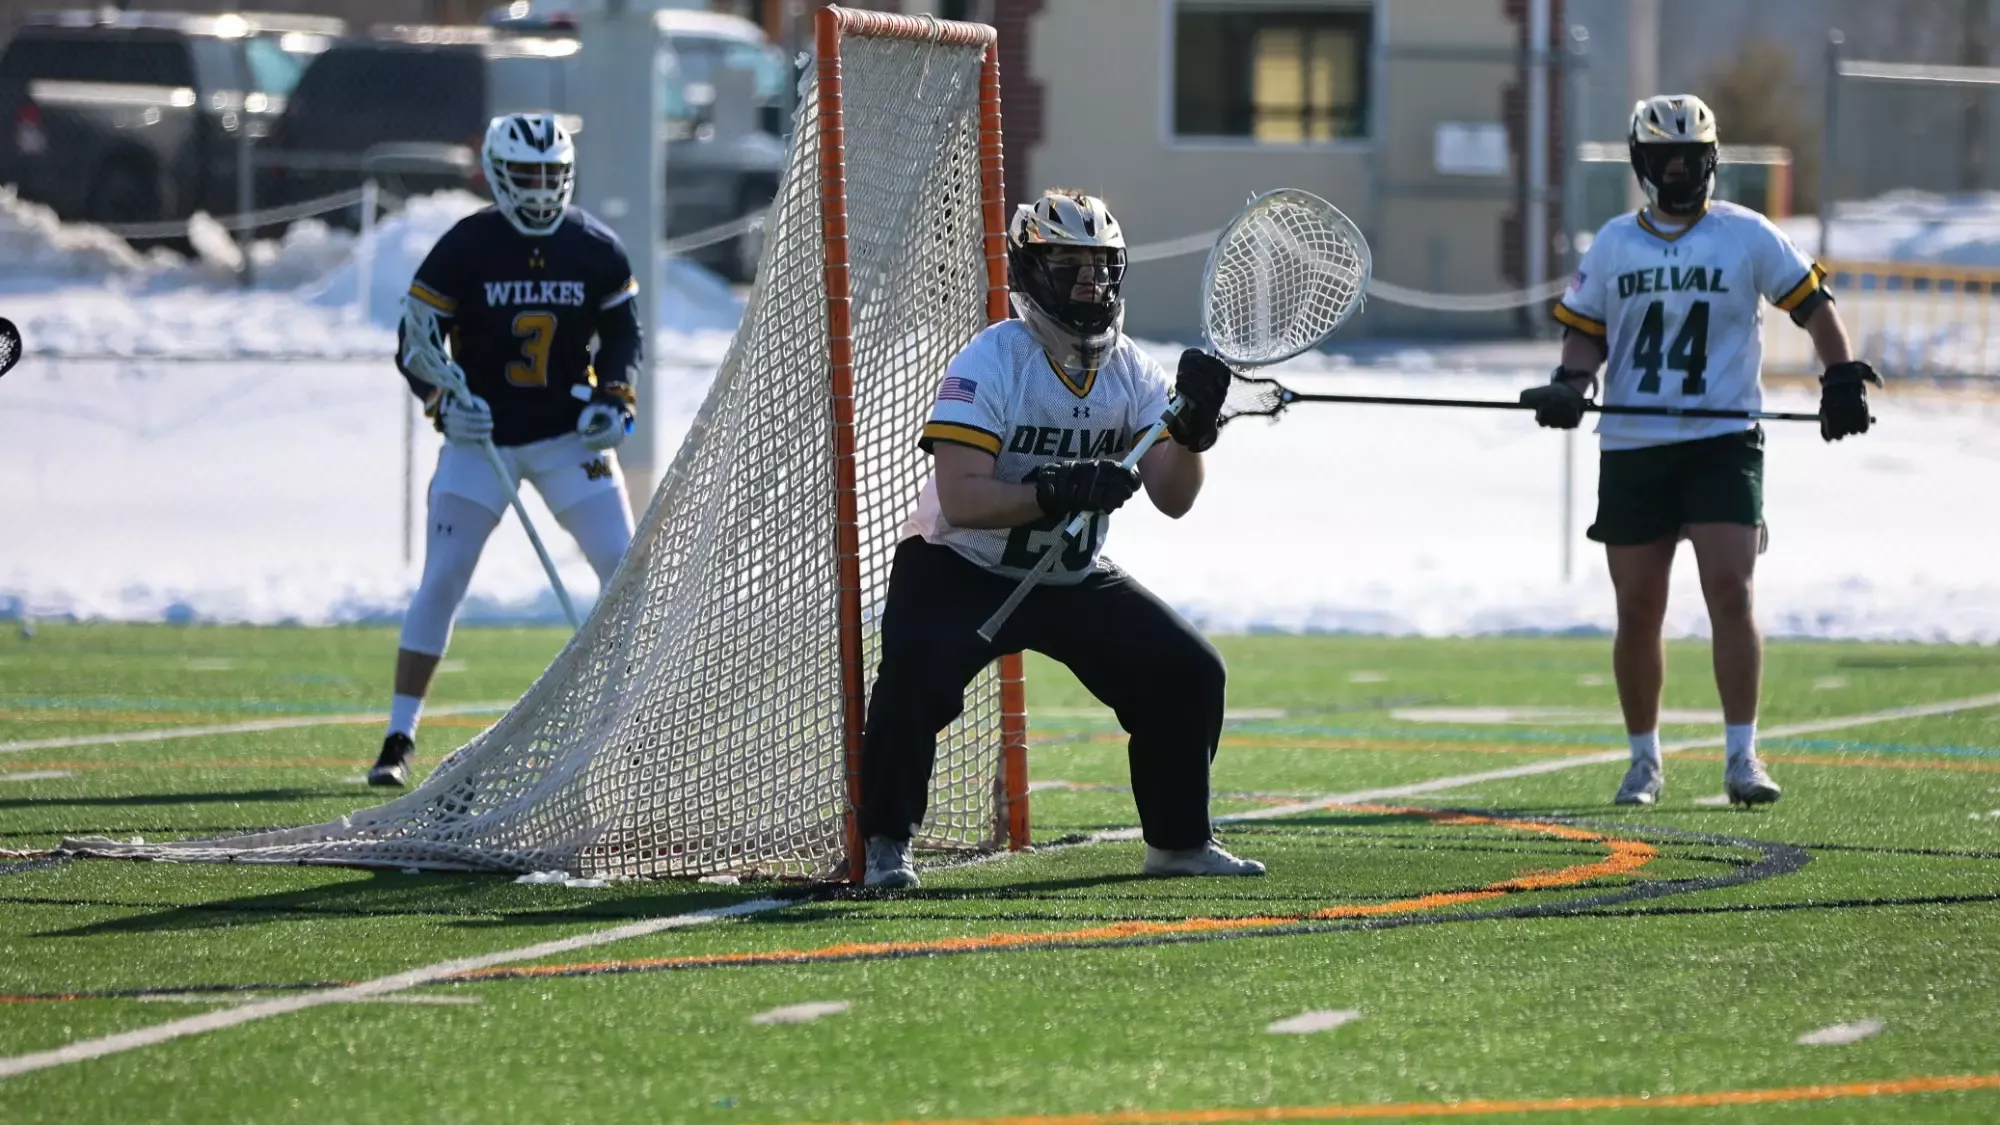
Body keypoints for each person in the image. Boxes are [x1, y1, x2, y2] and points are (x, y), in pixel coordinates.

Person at [856, 187, 1264, 889]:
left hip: (1071, 575)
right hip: (961, 565)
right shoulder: (992, 359)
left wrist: (1192, 433)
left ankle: (1178, 842)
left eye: (1102, 267)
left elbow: (1173, 497)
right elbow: (960, 496)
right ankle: (886, 845)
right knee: (911, 681)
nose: (1090, 282)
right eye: (1069, 266)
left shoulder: (1130, 368)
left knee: (1187, 672)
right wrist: (1053, 490)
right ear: (1027, 272)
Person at [1521, 94, 1879, 808]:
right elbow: (1586, 329)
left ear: (1712, 160)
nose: (1679, 168)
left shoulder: (1746, 234)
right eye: (1665, 158)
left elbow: (1812, 304)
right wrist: (1571, 382)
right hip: (1634, 443)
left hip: (1723, 440)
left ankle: (1743, 755)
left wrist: (1839, 375)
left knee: (1731, 589)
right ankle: (1642, 759)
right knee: (1640, 606)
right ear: (1643, 164)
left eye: (1691, 156)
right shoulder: (1616, 242)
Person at [368, 113, 643, 787]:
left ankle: (631, 722)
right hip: (482, 437)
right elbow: (416, 342)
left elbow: (622, 340)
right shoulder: (468, 246)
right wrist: (439, 404)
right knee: (445, 576)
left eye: (551, 173)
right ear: (496, 172)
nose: (540, 186)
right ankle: (400, 732)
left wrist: (615, 397)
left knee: (625, 571)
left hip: (564, 435)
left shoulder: (597, 248)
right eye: (526, 173)